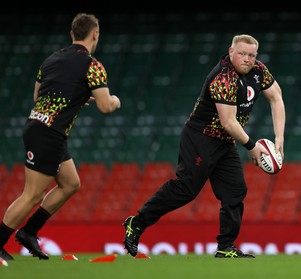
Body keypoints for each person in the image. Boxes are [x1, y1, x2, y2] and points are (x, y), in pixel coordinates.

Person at [123, 34, 285, 258]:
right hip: (200, 138)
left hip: (225, 142)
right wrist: (251, 146)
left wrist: (279, 139)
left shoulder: (258, 70)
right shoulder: (223, 78)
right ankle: (137, 222)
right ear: (231, 52)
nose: (247, 59)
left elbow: (276, 97)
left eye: (251, 55)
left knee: (235, 191)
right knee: (186, 189)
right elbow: (228, 122)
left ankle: (226, 247)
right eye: (242, 54)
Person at [0, 13, 121, 262]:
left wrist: (76, 96)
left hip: (39, 125)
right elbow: (106, 106)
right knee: (32, 194)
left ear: (72, 35)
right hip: (49, 133)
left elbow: (38, 96)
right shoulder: (93, 65)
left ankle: (29, 232)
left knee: (71, 183)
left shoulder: (51, 59)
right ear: (95, 34)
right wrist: (115, 101)